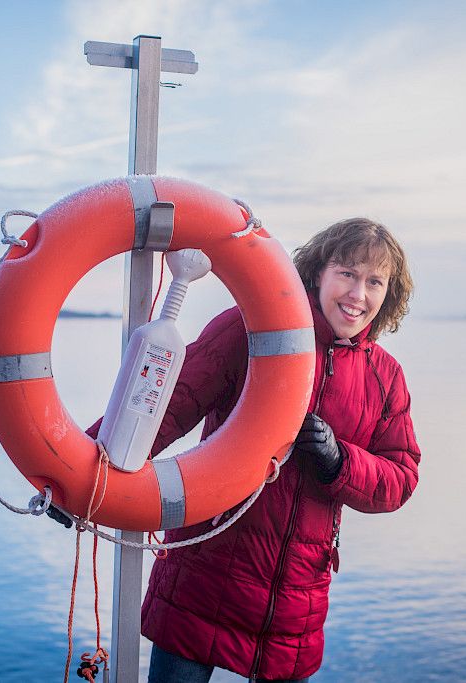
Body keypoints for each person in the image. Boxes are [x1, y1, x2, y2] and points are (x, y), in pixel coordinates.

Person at [62, 217, 421, 682]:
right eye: (348, 273)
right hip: (203, 580)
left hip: (294, 606)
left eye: (374, 281)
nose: (358, 294)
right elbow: (167, 406)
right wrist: (78, 473)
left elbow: (401, 477)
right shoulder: (253, 330)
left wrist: (341, 460)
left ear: (388, 293)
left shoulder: (385, 378)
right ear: (317, 273)